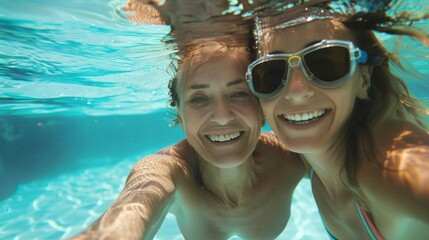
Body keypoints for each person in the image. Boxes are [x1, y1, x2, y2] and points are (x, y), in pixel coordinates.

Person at [71, 41, 306, 240]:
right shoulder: (169, 169)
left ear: (261, 108)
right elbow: (132, 209)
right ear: (180, 117)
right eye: (199, 98)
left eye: (239, 93)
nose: (222, 117)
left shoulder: (292, 155)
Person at [246, 8, 429, 240]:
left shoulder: (386, 162)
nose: (297, 91)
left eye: (325, 63)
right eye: (271, 72)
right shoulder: (309, 156)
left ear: (363, 79)